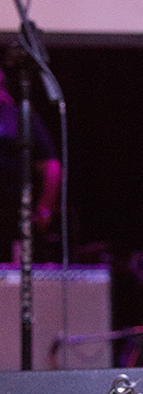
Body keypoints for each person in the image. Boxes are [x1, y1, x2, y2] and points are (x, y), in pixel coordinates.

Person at [0, 61, 61, 262]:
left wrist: (44, 209)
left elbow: (51, 166)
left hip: (14, 214)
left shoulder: (18, 115)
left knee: (14, 270)